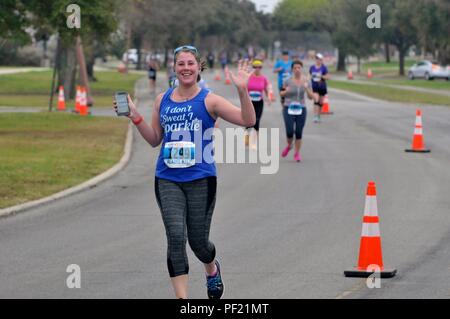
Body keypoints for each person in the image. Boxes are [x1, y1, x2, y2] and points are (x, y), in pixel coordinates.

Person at [113, 45, 255, 299]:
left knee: (198, 243)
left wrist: (243, 91)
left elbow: (248, 121)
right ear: (174, 67)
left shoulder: (210, 100)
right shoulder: (163, 100)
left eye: (191, 63)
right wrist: (135, 116)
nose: (186, 68)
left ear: (198, 66)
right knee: (176, 237)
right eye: (181, 64)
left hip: (201, 178)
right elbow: (155, 139)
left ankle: (211, 269)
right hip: (167, 178)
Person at [280, 60, 314, 162]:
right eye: (295, 68)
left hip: (301, 108)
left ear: (302, 69)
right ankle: (289, 145)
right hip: (288, 108)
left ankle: (297, 153)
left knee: (299, 132)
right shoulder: (287, 80)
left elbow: (311, 97)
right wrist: (286, 91)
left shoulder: (306, 81)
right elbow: (281, 93)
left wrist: (307, 88)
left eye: (299, 68)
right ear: (292, 69)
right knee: (290, 131)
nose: (297, 70)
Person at [245, 59, 270, 149]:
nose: (257, 69)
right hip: (249, 102)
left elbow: (266, 89)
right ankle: (247, 134)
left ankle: (254, 141)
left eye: (259, 67)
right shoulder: (249, 77)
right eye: (255, 67)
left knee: (257, 120)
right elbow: (244, 88)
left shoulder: (263, 78)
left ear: (261, 68)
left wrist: (268, 98)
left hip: (259, 101)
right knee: (248, 120)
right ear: (253, 68)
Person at [309, 53, 330, 123]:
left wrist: (321, 76)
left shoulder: (324, 68)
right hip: (315, 87)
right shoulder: (312, 67)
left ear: (321, 60)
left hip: (322, 87)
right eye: (317, 59)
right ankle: (315, 116)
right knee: (316, 100)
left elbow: (328, 77)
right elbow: (309, 75)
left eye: (319, 59)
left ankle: (318, 115)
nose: (318, 60)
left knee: (320, 102)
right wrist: (309, 78)